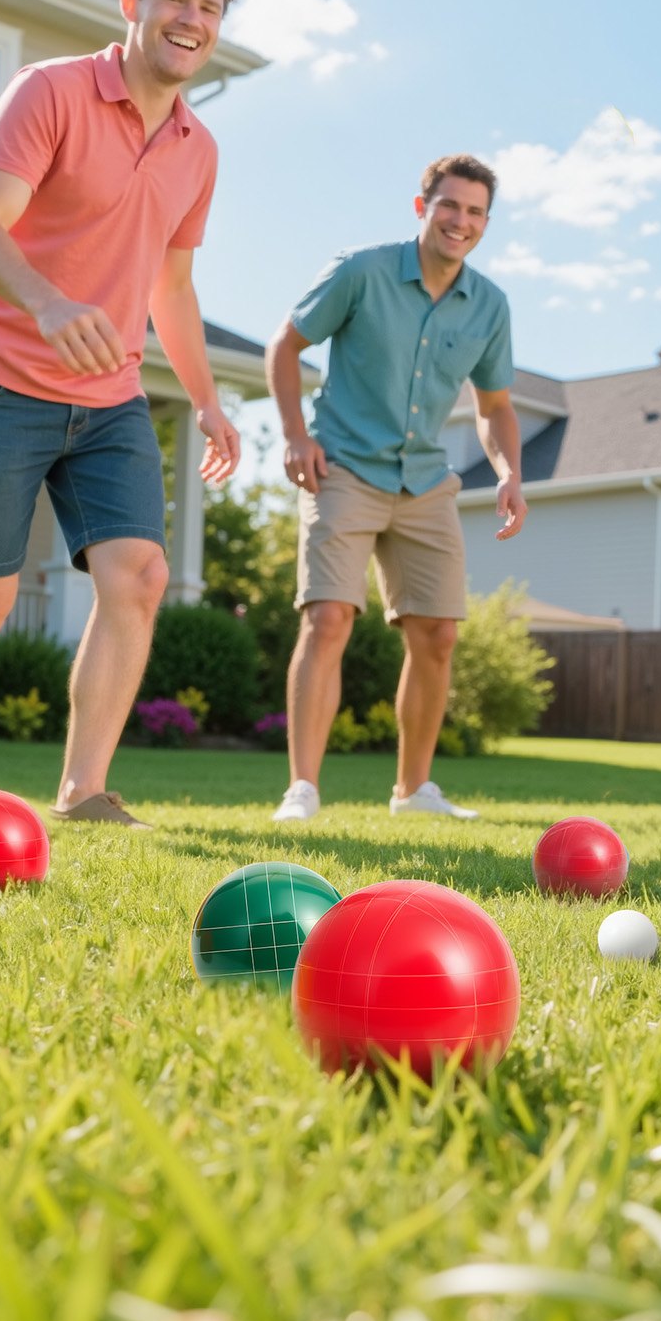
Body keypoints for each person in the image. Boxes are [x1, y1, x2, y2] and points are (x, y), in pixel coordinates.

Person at [0, 0, 244, 829]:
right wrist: (47, 304)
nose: (191, 19)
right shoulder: (50, 90)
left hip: (112, 399)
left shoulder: (198, 148)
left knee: (141, 574)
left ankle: (84, 794)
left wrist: (205, 400)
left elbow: (173, 287)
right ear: (134, 5)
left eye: (209, 8)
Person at [265, 154, 527, 823]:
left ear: (485, 224)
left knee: (438, 634)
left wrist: (508, 473)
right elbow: (284, 348)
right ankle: (303, 789)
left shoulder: (489, 305)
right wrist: (296, 436)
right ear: (422, 207)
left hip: (424, 479)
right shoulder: (362, 271)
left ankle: (413, 792)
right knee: (329, 618)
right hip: (344, 466)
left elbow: (495, 406)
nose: (459, 221)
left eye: (474, 212)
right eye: (449, 206)